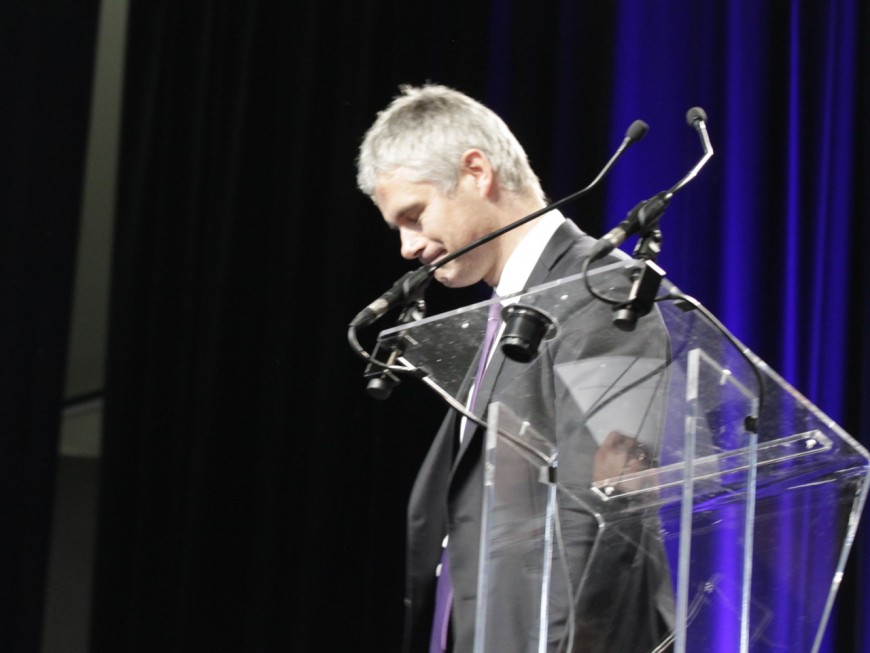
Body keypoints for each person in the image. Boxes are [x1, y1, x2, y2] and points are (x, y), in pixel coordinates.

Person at [356, 84, 673, 653]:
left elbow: (601, 519)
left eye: (415, 215)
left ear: (476, 172)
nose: (406, 247)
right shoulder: (506, 314)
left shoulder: (603, 294)